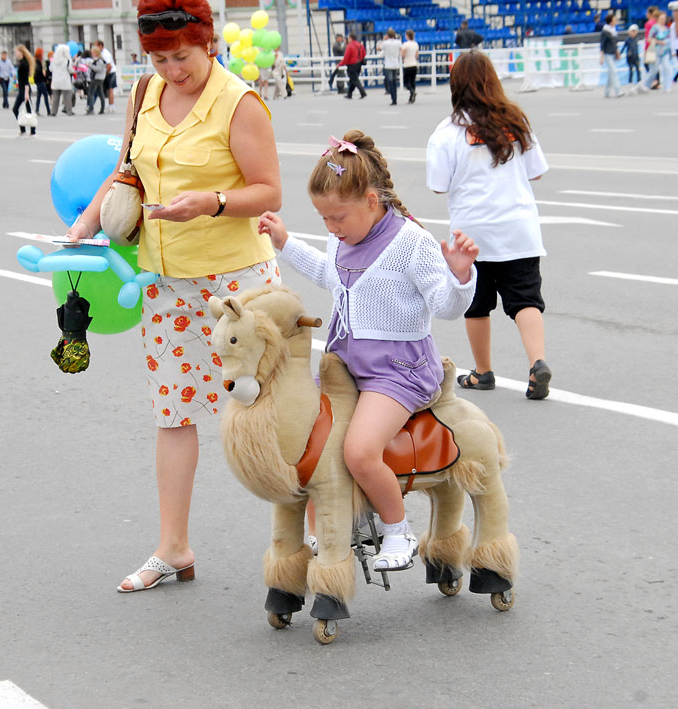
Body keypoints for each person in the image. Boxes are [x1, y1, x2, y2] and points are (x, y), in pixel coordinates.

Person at [64, 0, 282, 592]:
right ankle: (173, 549)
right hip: (165, 282)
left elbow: (269, 192)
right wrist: (85, 224)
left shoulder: (238, 101)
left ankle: (312, 532)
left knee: (266, 411)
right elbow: (125, 170)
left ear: (207, 42)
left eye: (181, 56)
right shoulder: (144, 93)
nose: (172, 70)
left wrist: (211, 202)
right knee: (173, 412)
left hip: (237, 286)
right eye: (159, 59)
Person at [258, 131, 478, 572]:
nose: (331, 227)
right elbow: (329, 273)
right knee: (308, 439)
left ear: (372, 201)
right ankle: (329, 529)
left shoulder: (411, 242)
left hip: (398, 371)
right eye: (323, 218)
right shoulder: (342, 238)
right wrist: (285, 243)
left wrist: (460, 277)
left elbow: (446, 307)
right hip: (345, 364)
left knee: (359, 451)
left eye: (337, 217)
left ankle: (398, 531)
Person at [426, 50, 551, 400]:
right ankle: (537, 362)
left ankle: (483, 372)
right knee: (526, 300)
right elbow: (536, 171)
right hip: (519, 230)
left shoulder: (447, 132)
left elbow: (438, 184)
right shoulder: (515, 121)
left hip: (472, 235)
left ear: (456, 86)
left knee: (477, 305)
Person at [643, 12, 673, 92]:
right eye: (661, 19)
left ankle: (667, 86)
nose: (663, 20)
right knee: (654, 70)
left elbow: (669, 39)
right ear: (658, 19)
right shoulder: (655, 28)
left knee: (667, 68)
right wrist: (659, 42)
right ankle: (646, 85)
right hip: (656, 51)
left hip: (665, 52)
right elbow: (649, 39)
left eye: (664, 19)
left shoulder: (667, 28)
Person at [12, 45, 36, 136]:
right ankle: (26, 129)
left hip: (24, 89)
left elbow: (26, 80)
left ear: (21, 52)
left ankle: (29, 129)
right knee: (27, 109)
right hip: (22, 88)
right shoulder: (22, 62)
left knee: (17, 109)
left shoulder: (24, 63)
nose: (15, 54)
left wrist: (26, 93)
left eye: (16, 52)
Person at [600, 12, 622, 98]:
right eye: (614, 19)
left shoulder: (614, 30)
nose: (616, 21)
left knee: (611, 73)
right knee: (613, 71)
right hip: (607, 53)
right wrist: (601, 56)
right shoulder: (605, 31)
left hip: (613, 52)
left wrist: (617, 52)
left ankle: (607, 92)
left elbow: (615, 43)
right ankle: (618, 90)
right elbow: (602, 44)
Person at [338, 33, 367, 99]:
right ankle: (349, 94)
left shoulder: (350, 46)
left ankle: (363, 92)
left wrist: (340, 64)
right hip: (359, 64)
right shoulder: (360, 44)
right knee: (352, 80)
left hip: (351, 65)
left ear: (351, 38)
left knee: (355, 80)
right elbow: (364, 53)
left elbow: (346, 57)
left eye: (348, 38)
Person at [49, 44, 74, 116]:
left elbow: (50, 69)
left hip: (55, 81)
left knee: (55, 97)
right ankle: (69, 111)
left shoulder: (54, 61)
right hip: (65, 81)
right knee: (67, 97)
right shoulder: (67, 61)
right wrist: (74, 71)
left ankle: (53, 111)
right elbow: (70, 70)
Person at [380, 28, 402, 105]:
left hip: (388, 64)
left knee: (390, 82)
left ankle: (393, 98)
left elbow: (379, 48)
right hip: (395, 63)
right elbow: (401, 49)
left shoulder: (385, 43)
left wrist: (384, 39)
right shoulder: (398, 42)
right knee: (394, 81)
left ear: (387, 35)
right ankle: (395, 97)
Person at [96, 40, 117, 113]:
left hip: (110, 73)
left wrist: (105, 74)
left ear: (100, 46)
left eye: (96, 46)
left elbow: (109, 65)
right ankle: (110, 104)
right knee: (108, 90)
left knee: (110, 89)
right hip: (109, 72)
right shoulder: (102, 53)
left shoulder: (105, 54)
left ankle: (111, 105)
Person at [85, 46, 106, 114]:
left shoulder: (99, 61)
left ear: (96, 53)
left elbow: (98, 69)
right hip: (100, 79)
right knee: (101, 94)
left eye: (93, 53)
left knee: (91, 93)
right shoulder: (101, 60)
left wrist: (90, 65)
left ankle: (90, 108)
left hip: (96, 78)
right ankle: (102, 109)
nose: (92, 54)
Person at [401, 29, 419, 103]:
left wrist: (403, 58)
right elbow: (416, 55)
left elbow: (403, 54)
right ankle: (411, 97)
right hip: (414, 64)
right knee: (412, 81)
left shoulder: (405, 44)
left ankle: (412, 92)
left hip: (407, 65)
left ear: (407, 36)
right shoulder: (415, 44)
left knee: (406, 82)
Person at [33, 48, 51, 115]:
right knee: (45, 95)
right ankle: (48, 111)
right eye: (42, 53)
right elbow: (40, 72)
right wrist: (45, 79)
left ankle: (37, 109)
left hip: (38, 81)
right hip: (40, 81)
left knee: (39, 96)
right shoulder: (38, 62)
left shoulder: (36, 61)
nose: (43, 55)